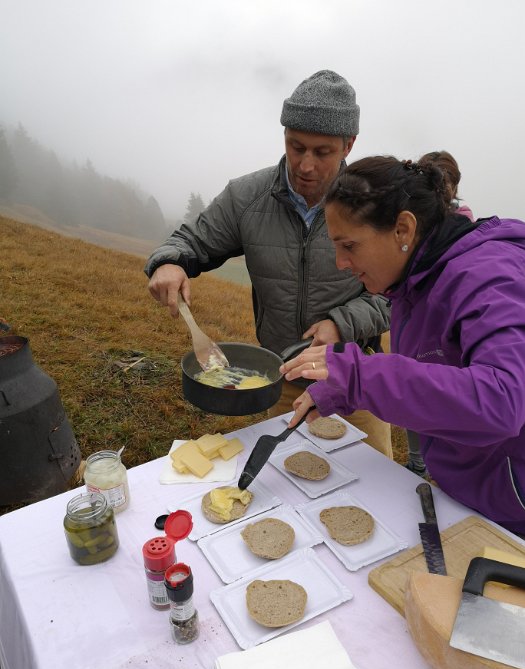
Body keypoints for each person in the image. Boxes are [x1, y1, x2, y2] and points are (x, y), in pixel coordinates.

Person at [145, 70, 392, 457]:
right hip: (279, 380)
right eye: (296, 147)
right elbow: (189, 241)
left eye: (322, 152)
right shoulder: (246, 197)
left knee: (372, 491)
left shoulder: (376, 206)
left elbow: (398, 294)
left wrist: (342, 324)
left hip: (355, 380)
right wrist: (170, 262)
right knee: (278, 485)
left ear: (349, 145)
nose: (305, 165)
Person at [280, 155, 525, 535]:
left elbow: (502, 401)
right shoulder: (413, 280)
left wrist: (359, 376)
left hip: (514, 505)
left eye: (349, 245)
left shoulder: (490, 277)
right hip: (471, 492)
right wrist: (344, 390)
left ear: (403, 229)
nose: (340, 262)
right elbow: (435, 375)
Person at [404, 150, 475, 477]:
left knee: (433, 396)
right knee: (415, 397)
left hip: (442, 336)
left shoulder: (464, 231)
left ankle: (432, 468)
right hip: (422, 331)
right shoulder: (416, 229)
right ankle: (420, 465)